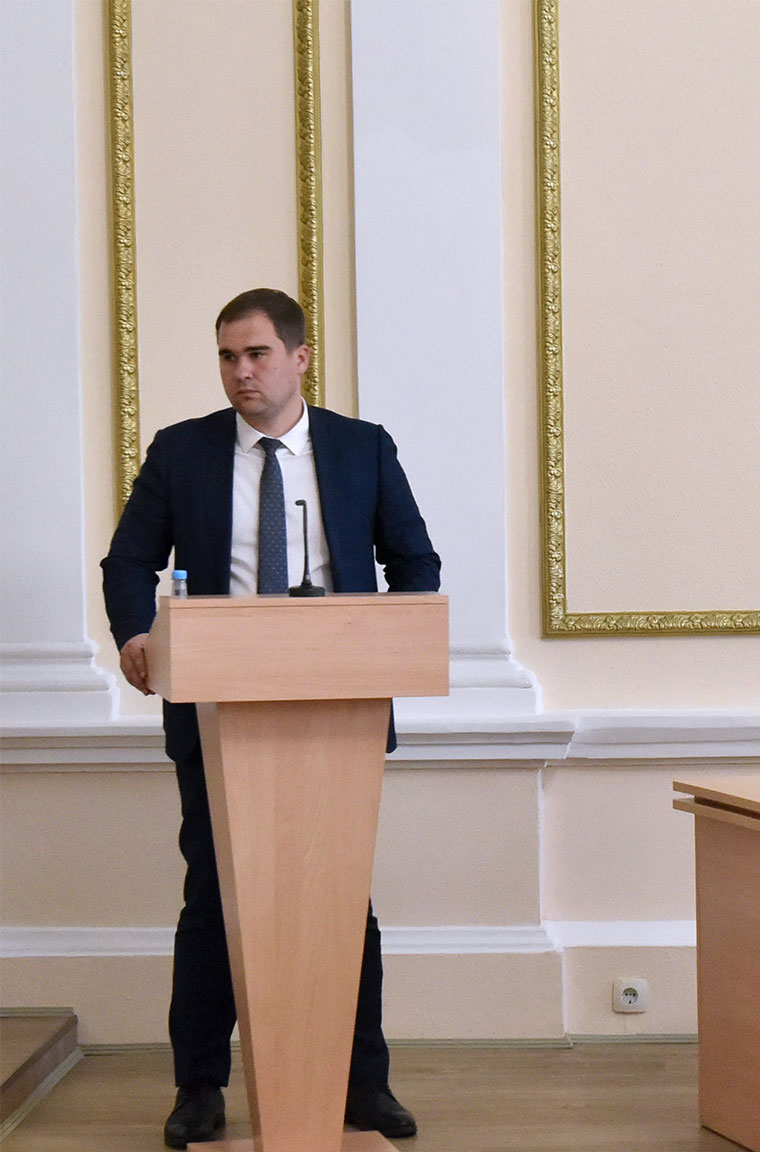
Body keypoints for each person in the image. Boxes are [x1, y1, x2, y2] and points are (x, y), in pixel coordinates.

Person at [102, 289, 437, 1148]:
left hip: (337, 714)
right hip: (218, 714)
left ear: (299, 357)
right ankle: (199, 1088)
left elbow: (415, 561)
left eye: (255, 354)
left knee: (344, 901)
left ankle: (361, 1085)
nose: (240, 372)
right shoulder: (183, 451)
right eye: (227, 357)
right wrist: (136, 633)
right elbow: (129, 558)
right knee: (214, 896)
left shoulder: (362, 448)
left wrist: (384, 644)